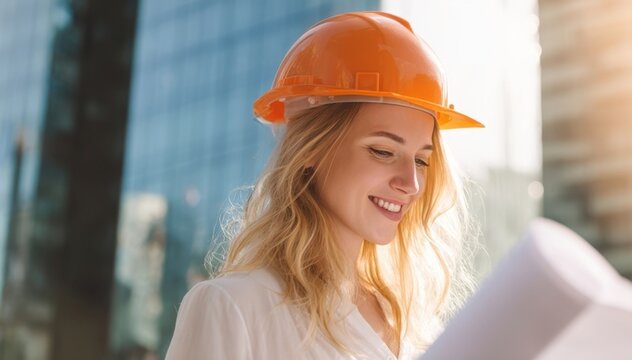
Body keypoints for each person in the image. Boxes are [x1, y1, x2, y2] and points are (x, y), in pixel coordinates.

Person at [165, 11, 483, 360]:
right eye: (383, 151)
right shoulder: (233, 308)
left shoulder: (418, 327)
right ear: (312, 148)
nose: (411, 183)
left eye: (421, 160)